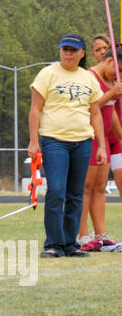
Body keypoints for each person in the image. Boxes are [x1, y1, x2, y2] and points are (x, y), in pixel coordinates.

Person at [28, 35, 107, 258]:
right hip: (54, 141)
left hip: (82, 142)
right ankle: (53, 244)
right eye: (65, 49)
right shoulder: (47, 74)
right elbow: (35, 110)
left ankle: (70, 243)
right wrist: (34, 141)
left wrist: (101, 145)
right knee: (56, 191)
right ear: (60, 51)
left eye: (73, 50)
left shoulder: (88, 78)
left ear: (82, 53)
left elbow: (95, 114)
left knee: (76, 194)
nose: (68, 54)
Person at [77, 45, 122, 251]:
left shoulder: (112, 81)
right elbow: (89, 107)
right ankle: (82, 234)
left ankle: (101, 234)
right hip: (89, 137)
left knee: (99, 188)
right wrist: (111, 93)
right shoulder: (89, 76)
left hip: (103, 139)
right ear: (110, 60)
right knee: (85, 188)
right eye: (119, 70)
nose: (119, 75)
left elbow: (111, 112)